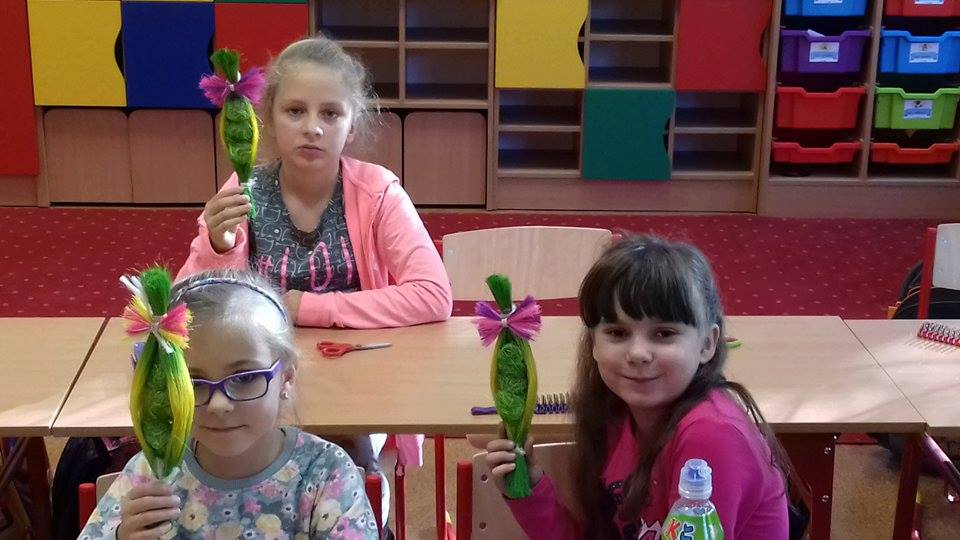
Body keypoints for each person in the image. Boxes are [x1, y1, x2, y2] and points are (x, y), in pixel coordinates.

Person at [485, 236, 790, 539]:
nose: (638, 353)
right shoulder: (617, 417)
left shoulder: (711, 436)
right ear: (593, 344)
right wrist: (528, 490)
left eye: (664, 334)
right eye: (618, 333)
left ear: (707, 344)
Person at [178, 35, 452, 330]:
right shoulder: (244, 189)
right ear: (270, 118)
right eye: (295, 111)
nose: (312, 128)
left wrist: (306, 308)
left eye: (330, 114)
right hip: (266, 350)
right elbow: (184, 305)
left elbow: (433, 294)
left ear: (351, 127)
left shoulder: (378, 192)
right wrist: (218, 249)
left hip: (357, 348)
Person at [79, 269, 378, 539]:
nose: (218, 405)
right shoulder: (150, 473)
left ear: (286, 377)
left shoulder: (325, 474)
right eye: (194, 383)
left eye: (245, 378)